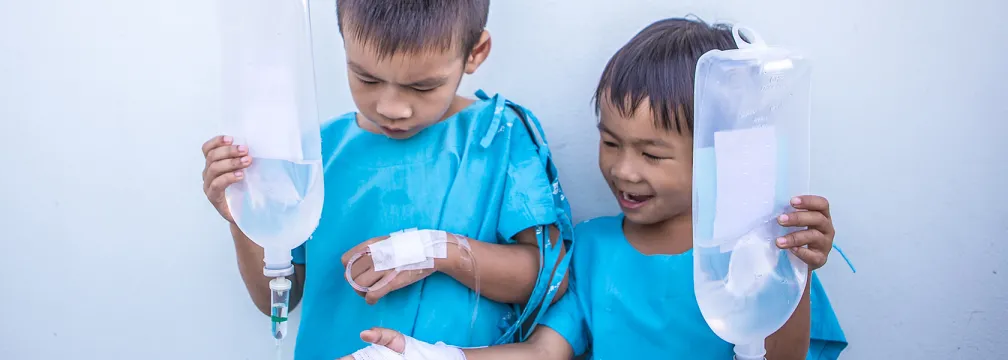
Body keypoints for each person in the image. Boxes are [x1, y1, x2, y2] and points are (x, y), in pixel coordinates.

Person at [342, 17, 849, 360]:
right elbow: (542, 353)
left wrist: (789, 269)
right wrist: (434, 355)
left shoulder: (755, 252)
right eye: (610, 142)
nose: (624, 170)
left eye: (652, 154)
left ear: (723, 154)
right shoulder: (590, 249)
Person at [200, 1, 575, 358]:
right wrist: (245, 219)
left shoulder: (499, 136)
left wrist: (434, 251)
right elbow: (277, 300)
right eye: (366, 78)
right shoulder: (315, 153)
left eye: (422, 87)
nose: (391, 108)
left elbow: (551, 280)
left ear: (475, 53)